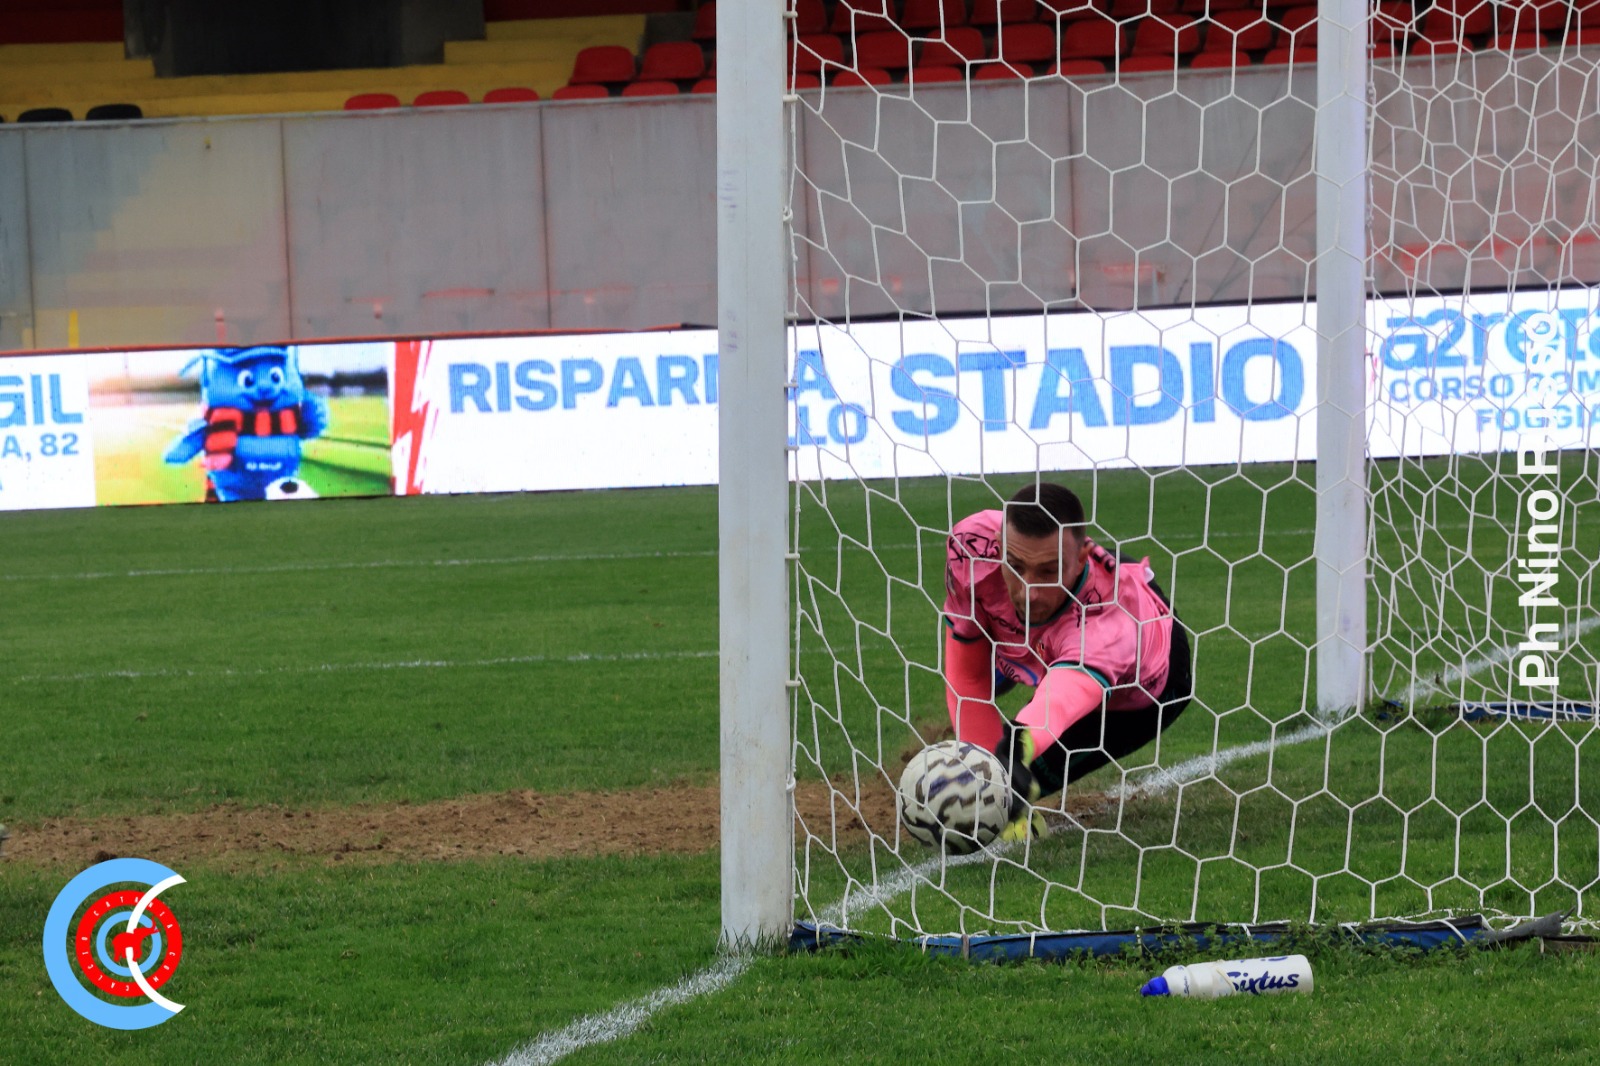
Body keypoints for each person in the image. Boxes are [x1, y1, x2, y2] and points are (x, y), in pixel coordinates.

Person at [942, 481, 1193, 841]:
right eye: (1015, 566)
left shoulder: (1112, 624)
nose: (1029, 588)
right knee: (988, 784)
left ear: (1082, 558)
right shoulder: (973, 544)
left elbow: (1062, 699)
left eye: (1048, 571)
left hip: (1141, 689)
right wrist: (985, 775)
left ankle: (1020, 662)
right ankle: (1017, 660)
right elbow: (966, 679)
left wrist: (1015, 747)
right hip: (1052, 636)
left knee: (1016, 780)